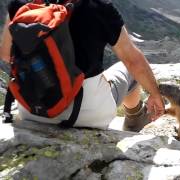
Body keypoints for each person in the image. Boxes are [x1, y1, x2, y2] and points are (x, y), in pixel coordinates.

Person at [0, 0, 165, 131]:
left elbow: (6, 55)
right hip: (83, 115)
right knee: (128, 71)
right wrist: (155, 94)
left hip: (32, 111)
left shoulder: (22, 4)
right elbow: (133, 60)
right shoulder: (98, 7)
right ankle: (135, 119)